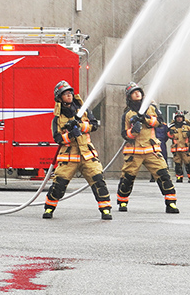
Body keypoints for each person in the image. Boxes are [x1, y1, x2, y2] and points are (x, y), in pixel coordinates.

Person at [43, 81, 112, 220]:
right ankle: (49, 208)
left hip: (87, 154)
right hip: (69, 157)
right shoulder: (57, 118)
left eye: (70, 93)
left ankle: (105, 209)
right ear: (59, 97)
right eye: (65, 94)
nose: (69, 95)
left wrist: (80, 126)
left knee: (98, 180)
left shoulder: (83, 111)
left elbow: (94, 125)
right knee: (59, 184)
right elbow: (57, 138)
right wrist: (69, 135)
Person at [116, 82, 179, 214]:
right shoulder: (127, 114)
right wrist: (133, 132)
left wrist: (145, 119)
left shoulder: (151, 108)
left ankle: (171, 203)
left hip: (152, 151)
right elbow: (124, 134)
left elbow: (160, 123)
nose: (137, 93)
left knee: (164, 175)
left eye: (139, 91)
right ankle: (122, 201)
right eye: (134, 92)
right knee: (127, 178)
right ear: (129, 96)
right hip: (134, 152)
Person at [167, 111, 190, 183]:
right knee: (177, 164)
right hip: (176, 150)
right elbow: (169, 136)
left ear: (183, 118)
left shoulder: (187, 127)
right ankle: (179, 177)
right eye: (178, 117)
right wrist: (170, 133)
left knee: (188, 163)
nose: (179, 119)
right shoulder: (172, 127)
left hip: (186, 150)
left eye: (180, 117)